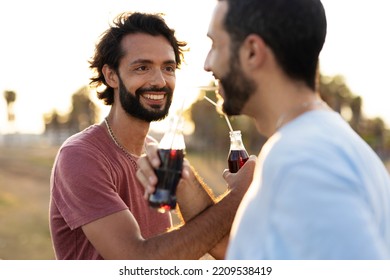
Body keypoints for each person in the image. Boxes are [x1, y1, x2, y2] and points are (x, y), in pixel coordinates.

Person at [138, 0, 390, 259]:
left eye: (215, 45)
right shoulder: (315, 144)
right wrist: (183, 182)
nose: (207, 64)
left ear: (252, 52)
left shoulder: (305, 160)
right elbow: (242, 254)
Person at [49, 11, 255, 260]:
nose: (159, 81)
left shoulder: (157, 152)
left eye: (168, 68)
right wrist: (237, 197)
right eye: (142, 67)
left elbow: (222, 247)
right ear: (111, 75)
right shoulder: (81, 155)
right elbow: (137, 262)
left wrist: (242, 196)